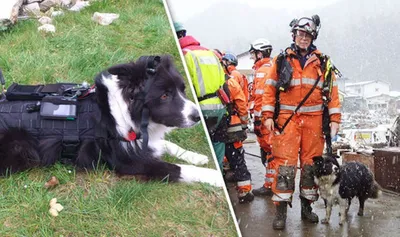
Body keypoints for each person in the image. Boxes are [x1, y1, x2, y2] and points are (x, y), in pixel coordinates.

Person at [261, 15, 341, 229]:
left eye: (307, 35)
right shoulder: (281, 60)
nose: (303, 38)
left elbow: (333, 94)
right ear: (294, 35)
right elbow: (269, 90)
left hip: (314, 124)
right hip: (287, 122)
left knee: (310, 167)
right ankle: (281, 211)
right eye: (300, 34)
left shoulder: (323, 62)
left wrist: (334, 120)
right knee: (284, 166)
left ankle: (307, 207)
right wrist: (267, 116)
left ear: (313, 36)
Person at [174, 22, 227, 171]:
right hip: (220, 107)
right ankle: (219, 174)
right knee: (218, 144)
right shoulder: (210, 53)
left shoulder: (185, 54)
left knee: (209, 143)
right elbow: (224, 81)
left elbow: (185, 84)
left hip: (202, 107)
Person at [221, 53, 254, 203]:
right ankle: (244, 192)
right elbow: (241, 104)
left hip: (215, 128)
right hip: (233, 128)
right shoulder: (231, 82)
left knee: (220, 157)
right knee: (238, 160)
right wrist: (244, 124)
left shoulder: (205, 83)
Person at [247, 38, 274, 196]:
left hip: (264, 119)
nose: (252, 57)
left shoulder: (263, 71)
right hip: (269, 117)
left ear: (259, 53)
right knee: (271, 152)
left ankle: (270, 185)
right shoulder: (270, 67)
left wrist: (257, 120)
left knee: (270, 152)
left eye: (253, 54)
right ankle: (272, 183)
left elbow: (260, 98)